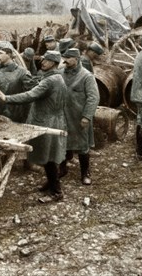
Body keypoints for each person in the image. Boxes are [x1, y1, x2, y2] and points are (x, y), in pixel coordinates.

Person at [0, 50, 67, 203]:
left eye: (47, 61)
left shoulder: (50, 81)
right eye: (43, 59)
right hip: (53, 119)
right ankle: (51, 183)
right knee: (49, 156)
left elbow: (30, 95)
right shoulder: (56, 77)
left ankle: (56, 191)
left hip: (46, 121)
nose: (43, 62)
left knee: (48, 157)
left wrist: (6, 98)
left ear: (54, 63)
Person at [59, 49, 100, 185]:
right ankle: (62, 169)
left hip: (79, 117)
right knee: (62, 141)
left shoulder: (86, 76)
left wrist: (87, 116)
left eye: (68, 58)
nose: (65, 60)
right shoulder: (60, 74)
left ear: (77, 59)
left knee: (83, 146)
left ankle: (85, 172)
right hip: (63, 116)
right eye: (64, 57)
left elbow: (93, 98)